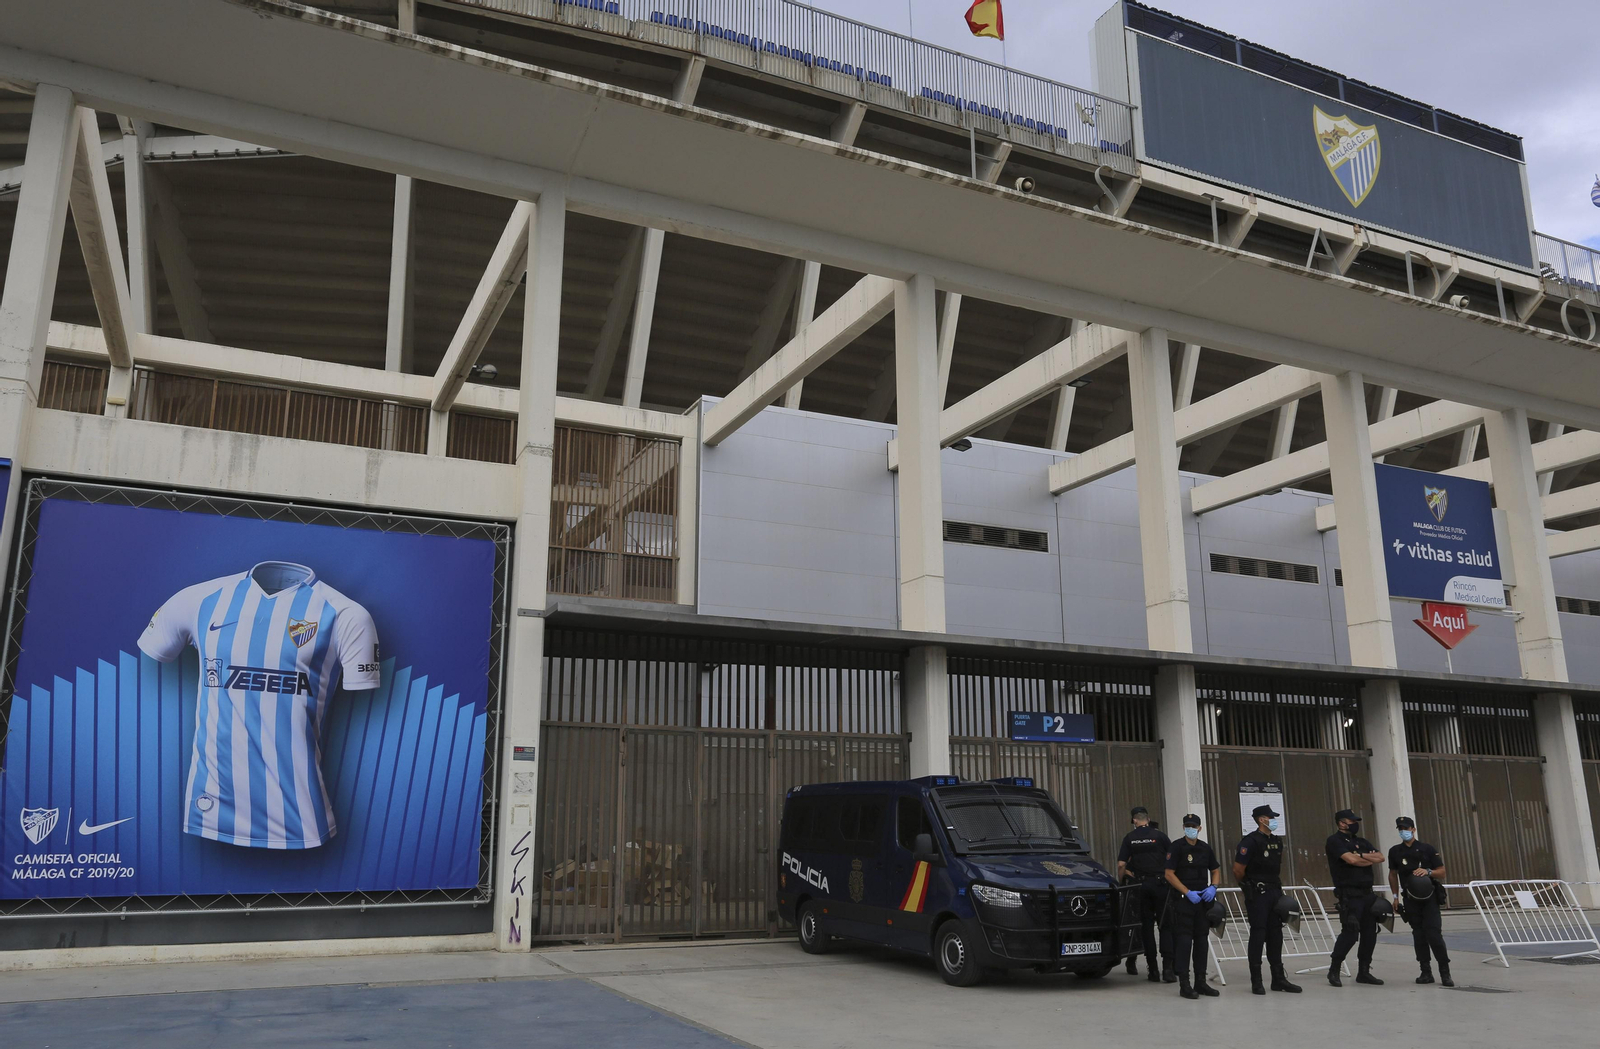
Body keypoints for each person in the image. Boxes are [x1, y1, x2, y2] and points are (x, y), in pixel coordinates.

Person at [1231, 803, 1302, 995]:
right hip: (1258, 893)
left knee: (1275, 934)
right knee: (1258, 933)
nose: (1274, 820)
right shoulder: (1250, 841)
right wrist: (1247, 887)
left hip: (1274, 892)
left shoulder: (1277, 841)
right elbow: (1238, 870)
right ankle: (1256, 981)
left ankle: (1278, 979)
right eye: (1271, 817)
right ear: (1262, 820)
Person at [1388, 816, 1452, 987]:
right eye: (1400, 829)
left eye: (1406, 828)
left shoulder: (1427, 849)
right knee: (1418, 934)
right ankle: (1425, 971)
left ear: (1413, 830)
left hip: (1429, 898)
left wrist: (1428, 871)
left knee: (1434, 934)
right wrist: (1395, 897)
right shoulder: (1395, 851)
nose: (1404, 831)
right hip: (1410, 899)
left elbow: (1442, 872)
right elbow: (1393, 874)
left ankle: (1445, 972)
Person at [1325, 808, 1386, 987]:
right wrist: (1363, 859)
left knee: (1370, 934)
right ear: (1341, 823)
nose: (1354, 824)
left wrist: (1359, 856)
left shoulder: (1362, 841)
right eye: (1351, 821)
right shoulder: (1334, 841)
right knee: (1350, 934)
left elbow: (1380, 857)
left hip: (1368, 895)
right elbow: (1350, 860)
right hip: (1350, 895)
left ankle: (1364, 971)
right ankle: (1334, 969)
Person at [1164, 813, 1222, 999]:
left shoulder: (1205, 848)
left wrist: (1213, 887)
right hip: (1184, 900)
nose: (1191, 829)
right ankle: (1185, 983)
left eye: (1194, 826)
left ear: (1199, 828)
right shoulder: (1176, 847)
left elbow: (1215, 870)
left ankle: (1200, 982)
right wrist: (1187, 892)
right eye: (1187, 826)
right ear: (1183, 828)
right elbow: (1169, 874)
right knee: (1184, 942)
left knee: (1202, 941)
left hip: (1202, 901)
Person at [1117, 806, 1173, 982]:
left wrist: (1122, 882)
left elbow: (1121, 865)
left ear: (1134, 820)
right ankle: (1168, 969)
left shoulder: (1130, 838)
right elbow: (1172, 859)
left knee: (1146, 928)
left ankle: (1153, 970)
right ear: (1148, 819)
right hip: (1161, 885)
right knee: (1165, 926)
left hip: (1141, 886)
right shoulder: (1160, 836)